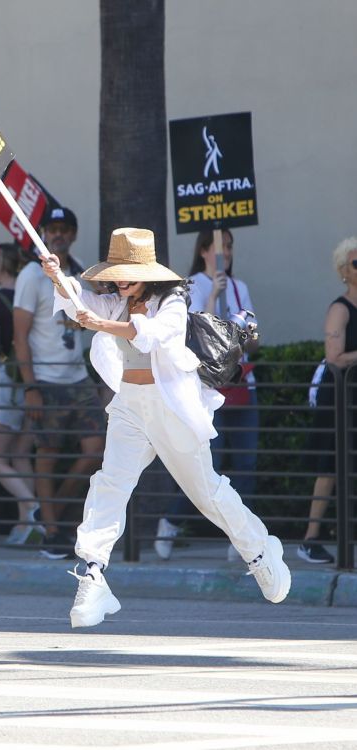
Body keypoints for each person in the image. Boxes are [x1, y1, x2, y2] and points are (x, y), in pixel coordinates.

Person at [41, 227, 291, 628]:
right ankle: (92, 573)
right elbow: (79, 302)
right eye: (116, 272)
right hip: (129, 405)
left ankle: (260, 551)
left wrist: (102, 325)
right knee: (110, 483)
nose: (120, 280)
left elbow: (152, 336)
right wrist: (57, 276)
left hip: (171, 407)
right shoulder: (116, 300)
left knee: (206, 492)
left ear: (149, 272)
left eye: (128, 272)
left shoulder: (172, 299)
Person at [154, 228, 260, 562]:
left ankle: (241, 537)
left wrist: (246, 331)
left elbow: (253, 337)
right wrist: (214, 297)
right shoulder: (192, 285)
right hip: (207, 389)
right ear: (203, 251)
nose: (224, 254)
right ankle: (171, 520)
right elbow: (199, 335)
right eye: (218, 248)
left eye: (229, 248)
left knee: (246, 464)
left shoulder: (240, 286)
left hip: (242, 386)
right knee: (205, 466)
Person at [13, 206, 105, 559]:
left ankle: (52, 509)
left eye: (65, 228)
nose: (59, 234)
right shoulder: (29, 277)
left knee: (95, 450)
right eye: (52, 229)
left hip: (78, 376)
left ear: (73, 234)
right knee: (47, 453)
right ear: (43, 233)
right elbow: (19, 337)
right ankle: (52, 531)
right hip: (46, 379)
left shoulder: (79, 273)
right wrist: (31, 386)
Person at [0, 242, 43, 545]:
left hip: (8, 378)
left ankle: (32, 507)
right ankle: (26, 524)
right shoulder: (31, 293)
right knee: (21, 455)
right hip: (35, 377)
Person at [298, 237, 357, 564]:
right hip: (340, 396)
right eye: (356, 263)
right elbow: (334, 356)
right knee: (330, 467)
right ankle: (310, 538)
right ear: (343, 271)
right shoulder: (340, 308)